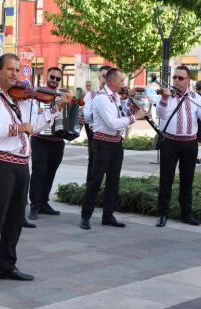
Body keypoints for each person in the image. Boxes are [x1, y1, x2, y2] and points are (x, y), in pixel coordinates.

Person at [0, 53, 73, 292]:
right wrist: (16, 127)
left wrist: (56, 107)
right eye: (10, 70)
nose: (15, 75)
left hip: (21, 164)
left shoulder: (22, 99)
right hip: (0, 163)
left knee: (16, 219)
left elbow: (35, 126)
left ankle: (8, 265)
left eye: (18, 70)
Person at [80, 68, 146, 230]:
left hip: (116, 143)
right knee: (96, 180)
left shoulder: (115, 97)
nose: (123, 84)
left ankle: (108, 216)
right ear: (112, 82)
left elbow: (119, 117)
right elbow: (112, 123)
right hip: (102, 143)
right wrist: (134, 117)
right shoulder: (102, 98)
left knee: (113, 181)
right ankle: (85, 216)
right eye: (121, 81)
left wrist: (129, 110)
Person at [155, 65, 201, 228]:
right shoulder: (167, 95)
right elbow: (160, 114)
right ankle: (162, 214)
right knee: (166, 179)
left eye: (180, 78)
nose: (176, 81)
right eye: (174, 77)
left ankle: (186, 214)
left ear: (188, 80)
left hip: (190, 142)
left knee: (187, 180)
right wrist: (165, 99)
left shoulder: (196, 97)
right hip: (170, 142)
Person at [28, 67, 66, 220]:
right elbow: (31, 114)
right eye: (52, 77)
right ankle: (34, 206)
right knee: (38, 173)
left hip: (57, 141)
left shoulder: (63, 95)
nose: (54, 80)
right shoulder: (36, 95)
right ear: (47, 76)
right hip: (40, 140)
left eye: (58, 78)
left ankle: (44, 203)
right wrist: (37, 110)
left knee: (50, 174)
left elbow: (69, 114)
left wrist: (78, 120)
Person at [82, 65, 111, 186]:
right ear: (99, 77)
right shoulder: (91, 94)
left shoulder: (116, 95)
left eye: (108, 76)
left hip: (112, 134)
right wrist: (100, 113)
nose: (105, 79)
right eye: (103, 76)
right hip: (95, 133)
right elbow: (86, 115)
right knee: (94, 164)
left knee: (111, 166)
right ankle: (90, 193)